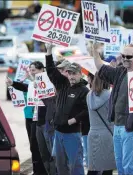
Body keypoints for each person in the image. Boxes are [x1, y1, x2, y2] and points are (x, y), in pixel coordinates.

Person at [92, 42, 133, 174]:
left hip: (132, 126)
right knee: (120, 164)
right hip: (117, 124)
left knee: (129, 166)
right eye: (123, 56)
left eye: (129, 56)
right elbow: (100, 67)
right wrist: (94, 50)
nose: (125, 59)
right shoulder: (119, 71)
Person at [45, 44, 89, 175]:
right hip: (58, 133)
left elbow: (87, 111)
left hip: (72, 134)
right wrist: (48, 51)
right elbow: (50, 71)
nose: (71, 76)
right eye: (69, 73)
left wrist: (73, 120)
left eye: (74, 74)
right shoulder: (62, 84)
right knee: (60, 165)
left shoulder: (84, 91)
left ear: (81, 74)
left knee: (76, 165)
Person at [6, 61, 49, 175]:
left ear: (41, 70)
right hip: (32, 117)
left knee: (41, 147)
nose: (32, 72)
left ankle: (43, 170)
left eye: (34, 70)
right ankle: (37, 170)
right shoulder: (31, 83)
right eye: (30, 70)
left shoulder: (47, 81)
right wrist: (12, 83)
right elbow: (25, 87)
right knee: (33, 146)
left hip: (43, 119)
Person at [86, 73, 116, 175]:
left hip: (93, 133)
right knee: (107, 168)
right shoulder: (110, 95)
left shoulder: (89, 95)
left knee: (93, 167)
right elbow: (113, 115)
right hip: (107, 133)